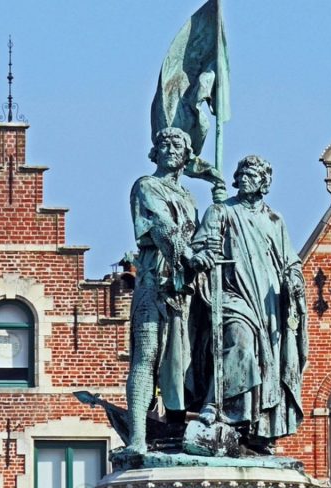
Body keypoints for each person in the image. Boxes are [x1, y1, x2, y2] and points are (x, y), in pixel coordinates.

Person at [191, 155, 308, 452]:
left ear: (264, 182)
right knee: (239, 343)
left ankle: (257, 427)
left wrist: (294, 279)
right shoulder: (220, 212)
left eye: (252, 173)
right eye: (241, 172)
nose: (244, 177)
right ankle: (218, 406)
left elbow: (290, 260)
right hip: (232, 293)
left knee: (268, 363)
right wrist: (207, 252)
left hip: (267, 303)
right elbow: (200, 250)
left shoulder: (274, 220)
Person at [125, 127, 202, 454]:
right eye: (163, 143)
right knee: (146, 357)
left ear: (187, 155)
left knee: (181, 361)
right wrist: (189, 255)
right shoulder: (146, 186)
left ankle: (177, 424)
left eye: (178, 143)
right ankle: (138, 438)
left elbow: (196, 236)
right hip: (154, 282)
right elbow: (161, 227)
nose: (170, 148)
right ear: (154, 152)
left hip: (184, 290)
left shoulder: (189, 198)